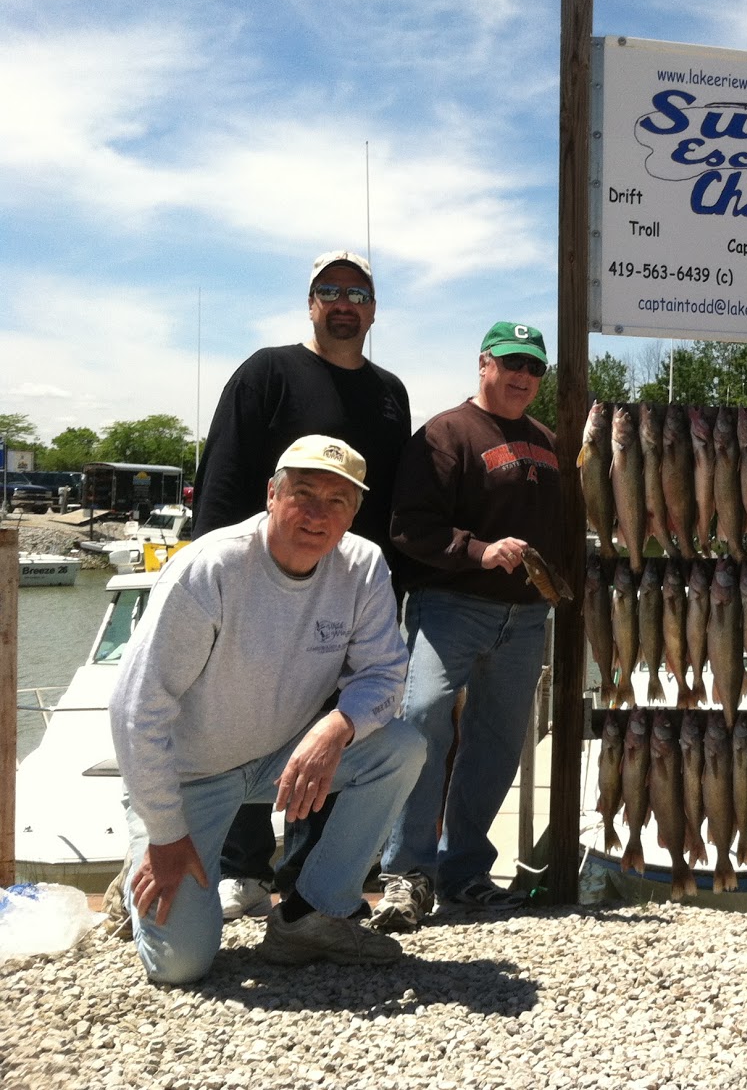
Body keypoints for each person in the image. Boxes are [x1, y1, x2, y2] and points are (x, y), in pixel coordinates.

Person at [109, 436, 424, 984]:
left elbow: (384, 673)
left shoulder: (364, 565)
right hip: (189, 777)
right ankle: (141, 860)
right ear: (271, 495)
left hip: (276, 758)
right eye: (303, 494)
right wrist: (165, 833)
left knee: (401, 748)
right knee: (181, 967)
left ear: (352, 514)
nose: (317, 514)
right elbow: (136, 708)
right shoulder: (209, 568)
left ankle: (310, 914)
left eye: (337, 501)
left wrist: (337, 726)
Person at [192, 249, 411, 921]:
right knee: (248, 710)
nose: (344, 301)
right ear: (310, 302)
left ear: (373, 309)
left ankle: (311, 888)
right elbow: (224, 480)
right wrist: (222, 577)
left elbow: (395, 498)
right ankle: (242, 868)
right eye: (330, 289)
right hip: (262, 581)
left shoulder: (389, 392)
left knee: (341, 726)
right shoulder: (266, 372)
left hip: (352, 590)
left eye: (358, 291)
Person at [369, 321, 563, 933]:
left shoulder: (548, 440)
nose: (522, 377)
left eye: (533, 368)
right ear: (483, 363)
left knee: (500, 741)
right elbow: (409, 525)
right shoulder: (445, 432)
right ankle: (406, 875)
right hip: (450, 606)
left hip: (527, 614)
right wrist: (477, 550)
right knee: (422, 720)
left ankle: (466, 872)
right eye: (511, 364)